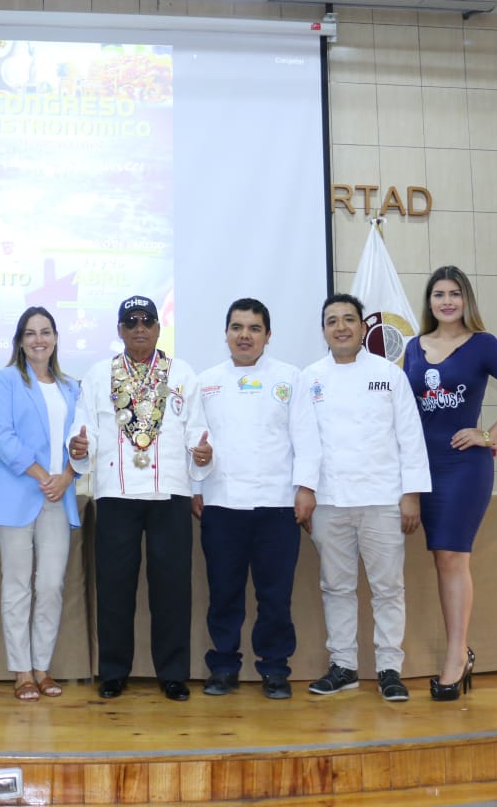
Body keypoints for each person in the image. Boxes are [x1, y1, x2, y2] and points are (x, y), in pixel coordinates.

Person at [68, 295, 213, 702]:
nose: (139, 329)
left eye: (146, 320)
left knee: (172, 587)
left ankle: (173, 673)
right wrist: (78, 446)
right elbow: (85, 430)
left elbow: (196, 429)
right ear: (119, 330)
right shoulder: (99, 374)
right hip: (116, 493)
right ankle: (113, 671)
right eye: (130, 322)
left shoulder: (181, 372)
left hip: (170, 492)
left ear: (157, 327)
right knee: (114, 585)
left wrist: (204, 453)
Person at [403, 265, 497, 701]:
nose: (446, 301)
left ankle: (456, 656)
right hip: (421, 468)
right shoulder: (412, 348)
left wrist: (488, 435)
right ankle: (460, 653)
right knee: (439, 558)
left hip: (464, 467)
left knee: (451, 558)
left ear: (466, 301)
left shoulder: (483, 344)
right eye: (438, 294)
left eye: (454, 294)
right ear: (429, 302)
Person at [293, 293, 429, 703]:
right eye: (332, 321)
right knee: (336, 587)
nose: (341, 327)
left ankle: (389, 668)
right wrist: (305, 488)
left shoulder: (390, 375)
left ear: (363, 327)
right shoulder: (309, 377)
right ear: (323, 331)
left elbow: (409, 437)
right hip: (329, 500)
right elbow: (304, 440)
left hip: (383, 499)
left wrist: (411, 495)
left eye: (348, 319)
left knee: (388, 588)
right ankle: (344, 666)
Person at [193, 298, 302, 700]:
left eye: (254, 328)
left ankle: (275, 668)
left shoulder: (290, 378)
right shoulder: (206, 382)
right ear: (225, 334)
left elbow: (305, 439)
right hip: (221, 504)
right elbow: (195, 442)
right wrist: (196, 488)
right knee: (224, 592)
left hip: (277, 504)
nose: (245, 335)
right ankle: (223, 666)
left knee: (275, 595)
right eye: (237, 327)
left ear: (267, 336)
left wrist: (304, 489)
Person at [0, 307, 81, 702]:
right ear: (20, 341)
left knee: (52, 585)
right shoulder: (6, 380)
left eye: (45, 332)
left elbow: (84, 439)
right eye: (30, 333)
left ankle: (43, 667)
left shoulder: (72, 387)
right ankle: (22, 671)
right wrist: (44, 476)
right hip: (17, 495)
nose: (38, 339)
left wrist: (68, 476)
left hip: (60, 495)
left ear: (56, 338)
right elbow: (1, 437)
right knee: (18, 585)